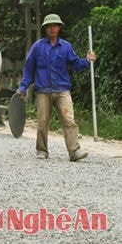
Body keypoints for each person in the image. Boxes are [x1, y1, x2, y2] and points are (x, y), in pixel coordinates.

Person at [16, 14, 96, 162]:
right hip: (43, 91)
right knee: (42, 122)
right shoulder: (37, 47)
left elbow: (76, 64)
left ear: (59, 27)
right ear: (45, 28)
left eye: (55, 25)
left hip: (62, 90)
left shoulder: (66, 47)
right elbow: (29, 69)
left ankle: (74, 151)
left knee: (69, 120)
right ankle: (42, 150)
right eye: (49, 26)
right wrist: (23, 88)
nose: (52, 28)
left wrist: (87, 60)